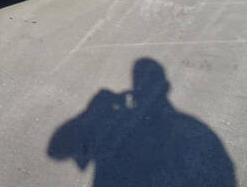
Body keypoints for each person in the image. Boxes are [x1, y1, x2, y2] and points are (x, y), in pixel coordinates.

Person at [48, 58, 235, 186]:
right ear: (166, 87)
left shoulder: (190, 129)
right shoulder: (196, 129)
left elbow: (56, 150)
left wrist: (92, 111)